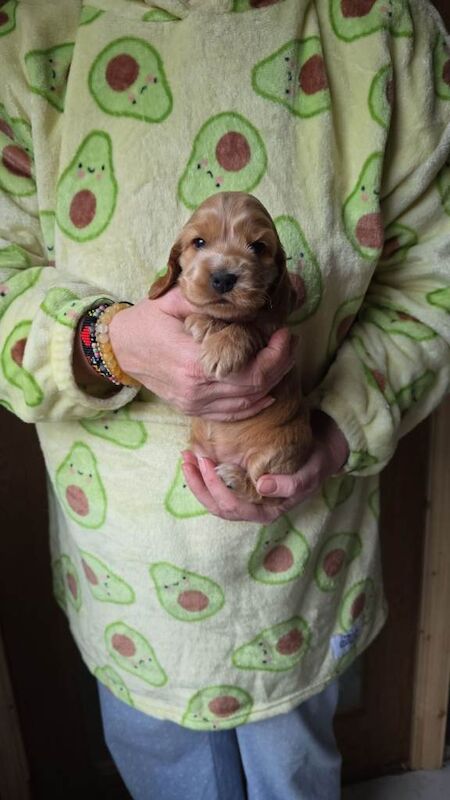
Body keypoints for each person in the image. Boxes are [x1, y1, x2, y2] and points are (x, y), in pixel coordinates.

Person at [1, 0, 449, 797]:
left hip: (305, 561)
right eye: (202, 247)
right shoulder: (27, 24)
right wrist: (112, 343)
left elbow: (434, 285)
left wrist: (337, 432)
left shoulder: (390, 26)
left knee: (295, 772)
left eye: (252, 251)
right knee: (163, 767)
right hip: (128, 572)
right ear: (179, 261)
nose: (224, 264)